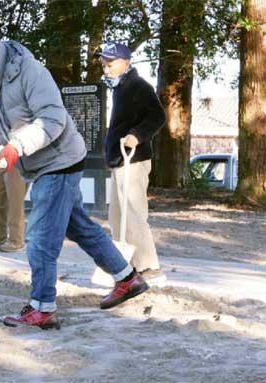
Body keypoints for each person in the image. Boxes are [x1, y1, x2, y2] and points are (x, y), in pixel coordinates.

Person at [0, 15, 149, 330]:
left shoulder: (28, 70)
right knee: (79, 227)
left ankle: (42, 307)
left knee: (40, 236)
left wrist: (17, 145)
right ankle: (127, 278)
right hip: (37, 164)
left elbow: (54, 118)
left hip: (59, 159)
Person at [98, 42, 167, 286]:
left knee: (135, 213)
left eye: (111, 63)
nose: (106, 68)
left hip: (134, 159)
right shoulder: (120, 87)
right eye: (104, 63)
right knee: (117, 215)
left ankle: (149, 267)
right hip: (120, 159)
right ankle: (125, 267)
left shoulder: (138, 86)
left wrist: (137, 135)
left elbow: (158, 116)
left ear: (126, 62)